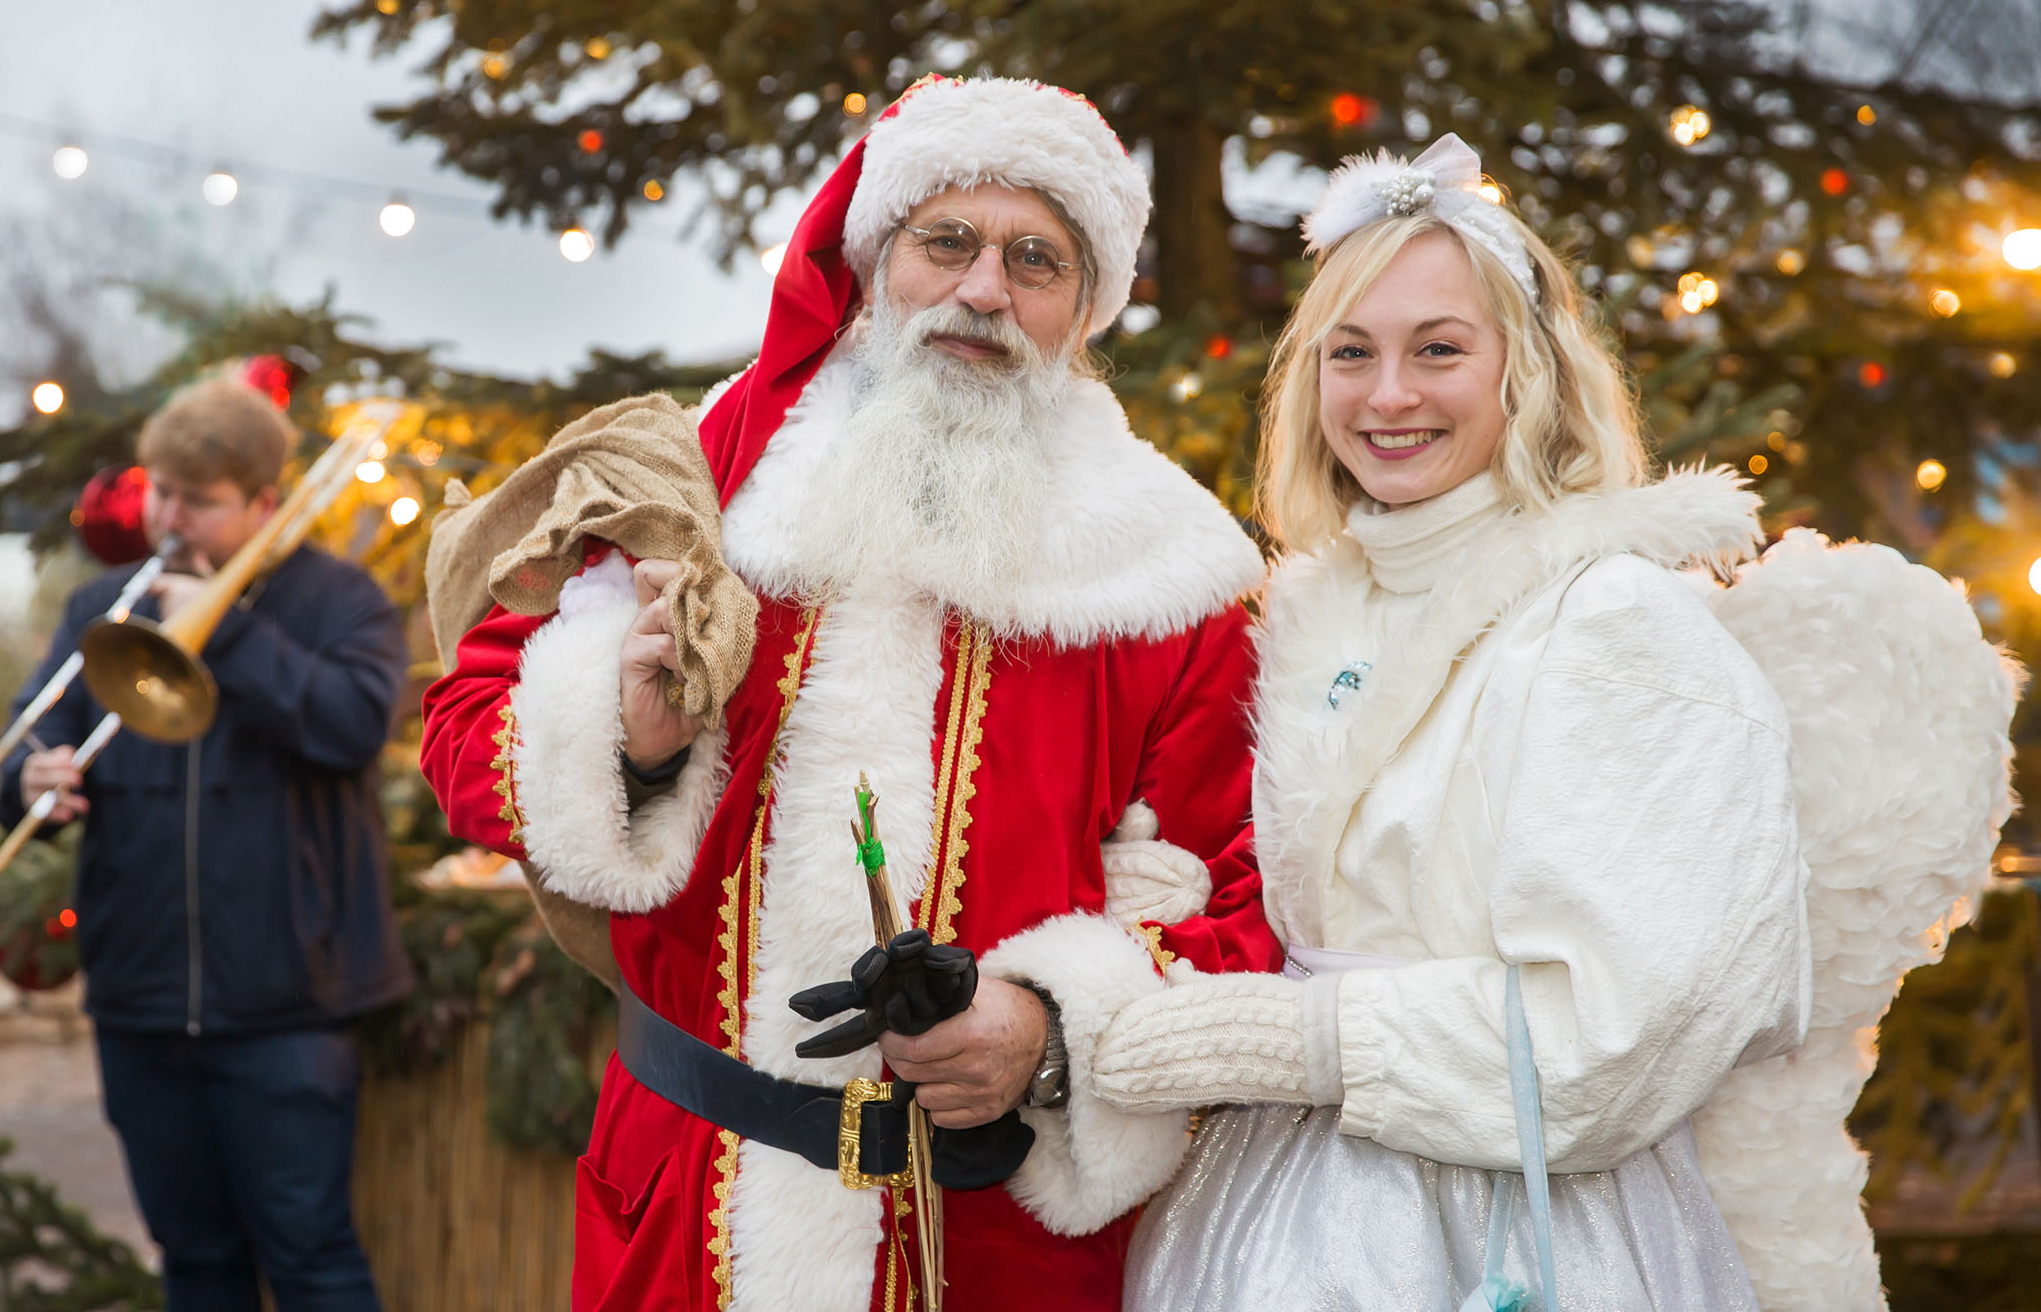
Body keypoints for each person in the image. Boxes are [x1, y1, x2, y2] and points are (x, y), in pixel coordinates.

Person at [420, 74, 1282, 1312]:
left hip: (994, 1250)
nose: (983, 290)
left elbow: (1248, 905)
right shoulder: (716, 473)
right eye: (947, 242)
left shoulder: (1176, 577)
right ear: (878, 259)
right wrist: (626, 735)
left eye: (1035, 260)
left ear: (1083, 308)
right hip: (682, 1214)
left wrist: (1046, 1028)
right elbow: (462, 728)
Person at [1085, 136, 1811, 1311]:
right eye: (1350, 353)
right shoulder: (1309, 615)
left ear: (1524, 372)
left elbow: (1624, 1031)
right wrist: (1188, 920)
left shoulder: (1616, 625)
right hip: (1252, 1217)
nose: (1386, 397)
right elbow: (1339, 904)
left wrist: (1307, 1040)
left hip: (1520, 1236)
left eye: (1437, 350)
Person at [0, 376, 412, 1312]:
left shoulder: (340, 599)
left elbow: (350, 726)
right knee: (194, 1262)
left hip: (289, 1006)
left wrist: (222, 628)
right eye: (160, 491)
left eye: (199, 500)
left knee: (312, 1257)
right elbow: (34, 721)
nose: (170, 518)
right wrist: (29, 771)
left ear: (264, 502)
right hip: (141, 1000)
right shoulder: (107, 602)